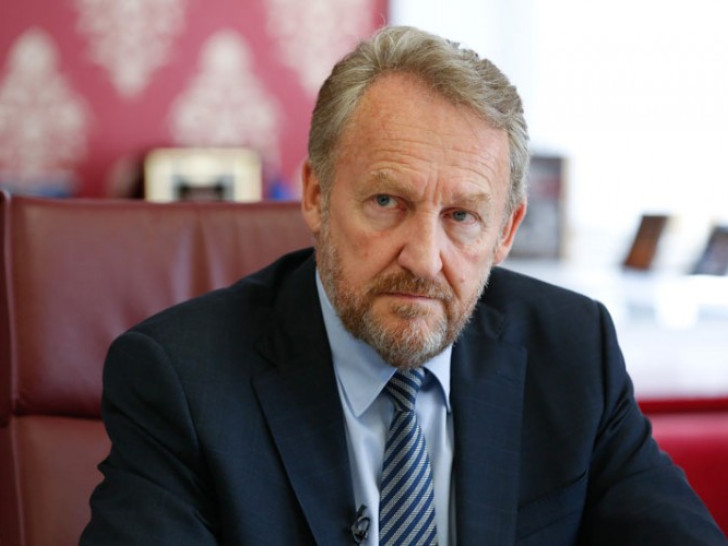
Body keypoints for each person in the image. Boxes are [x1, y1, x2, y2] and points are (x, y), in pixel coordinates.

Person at [81, 25, 726, 545]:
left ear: (506, 231)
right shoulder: (181, 380)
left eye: (462, 217)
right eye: (387, 201)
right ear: (316, 195)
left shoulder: (573, 353)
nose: (423, 258)